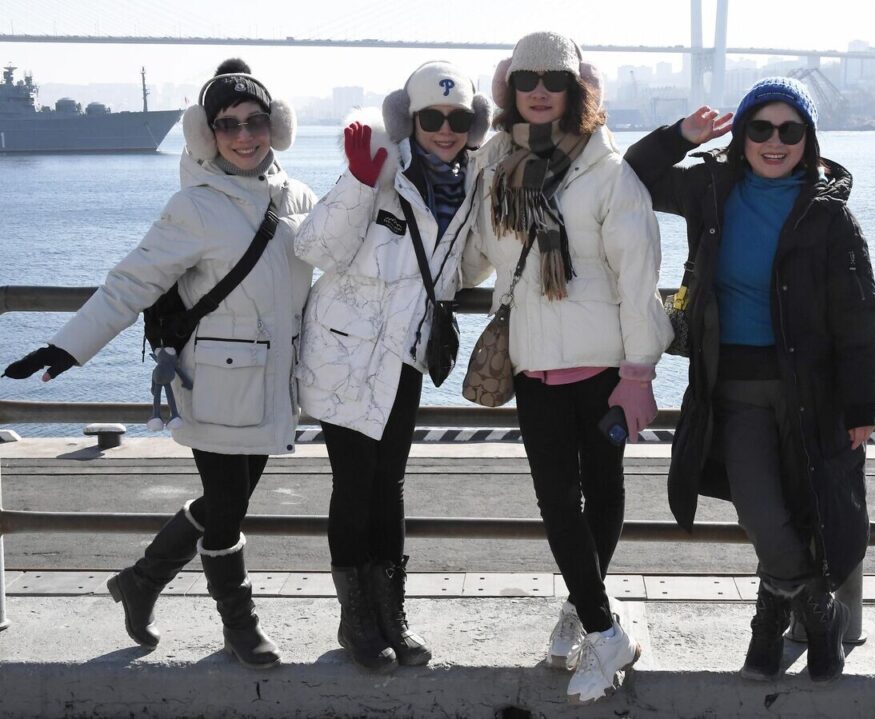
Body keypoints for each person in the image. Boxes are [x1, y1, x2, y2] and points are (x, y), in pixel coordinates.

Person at [2, 59, 317, 669]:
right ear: (208, 134)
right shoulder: (194, 206)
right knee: (226, 510)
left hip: (277, 384)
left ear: (276, 126)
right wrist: (69, 346)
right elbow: (130, 283)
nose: (244, 135)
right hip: (216, 382)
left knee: (225, 503)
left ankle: (141, 580)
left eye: (255, 121)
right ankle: (240, 624)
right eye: (228, 124)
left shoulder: (299, 196)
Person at [623, 77, 875, 683]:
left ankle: (770, 619)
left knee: (806, 508)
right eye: (760, 128)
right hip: (731, 387)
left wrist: (862, 404)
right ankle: (818, 606)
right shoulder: (710, 188)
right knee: (760, 508)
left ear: (808, 140)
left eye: (790, 130)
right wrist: (681, 135)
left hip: (809, 392)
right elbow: (634, 175)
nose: (774, 141)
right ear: (741, 135)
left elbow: (858, 316)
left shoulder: (830, 215)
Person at [460, 32, 673, 704]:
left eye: (555, 79)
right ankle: (601, 623)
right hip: (533, 363)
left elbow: (637, 278)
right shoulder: (495, 166)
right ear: (509, 88)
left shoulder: (608, 172)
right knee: (556, 500)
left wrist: (639, 370)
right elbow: (474, 257)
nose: (540, 91)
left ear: (576, 89)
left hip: (604, 365)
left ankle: (589, 615)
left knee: (601, 492)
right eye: (526, 79)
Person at [294, 61, 490, 673]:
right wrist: (357, 182)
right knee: (355, 483)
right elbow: (313, 247)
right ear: (409, 119)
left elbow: (463, 266)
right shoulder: (380, 168)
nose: (445, 130)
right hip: (345, 352)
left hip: (405, 350)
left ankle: (391, 614)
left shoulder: (472, 181)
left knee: (391, 484)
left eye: (458, 118)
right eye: (432, 117)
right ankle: (357, 619)